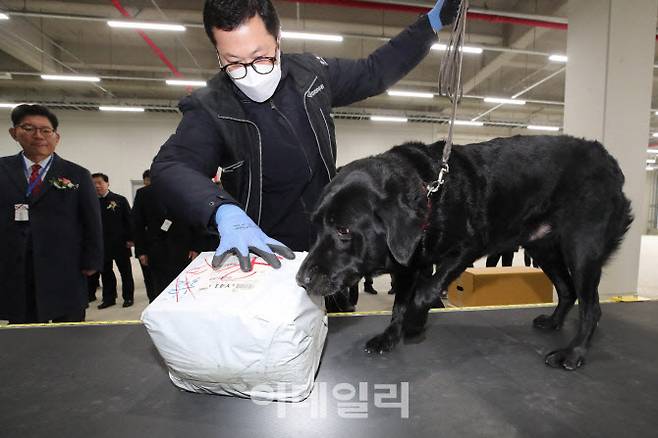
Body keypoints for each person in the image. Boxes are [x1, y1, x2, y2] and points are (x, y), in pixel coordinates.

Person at [150, 0, 459, 309]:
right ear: (217, 53)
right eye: (233, 62)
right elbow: (171, 165)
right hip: (267, 259)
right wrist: (222, 211)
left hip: (329, 248)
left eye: (260, 57)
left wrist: (430, 24)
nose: (250, 73)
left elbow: (374, 72)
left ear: (278, 38)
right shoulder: (210, 108)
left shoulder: (311, 75)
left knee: (337, 334)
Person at [0, 104, 103, 324]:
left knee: (68, 335)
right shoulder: (3, 170)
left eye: (45, 130)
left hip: (65, 266)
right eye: (28, 128)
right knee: (24, 333)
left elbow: (91, 221)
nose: (38, 136)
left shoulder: (77, 174)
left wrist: (92, 260)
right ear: (14, 133)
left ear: (56, 137)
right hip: (14, 266)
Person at [132, 169, 200, 302]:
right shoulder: (144, 193)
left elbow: (196, 220)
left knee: (184, 286)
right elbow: (137, 224)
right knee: (158, 288)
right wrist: (141, 251)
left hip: (184, 249)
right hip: (156, 249)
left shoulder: (186, 191)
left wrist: (196, 246)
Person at [91, 173, 135, 309]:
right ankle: (109, 298)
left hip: (120, 243)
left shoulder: (119, 200)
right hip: (101, 244)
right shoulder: (91, 202)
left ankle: (128, 297)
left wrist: (131, 238)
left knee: (125, 271)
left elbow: (129, 220)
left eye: (100, 182)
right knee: (106, 273)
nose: (97, 186)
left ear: (107, 183)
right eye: (94, 183)